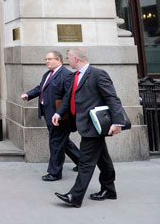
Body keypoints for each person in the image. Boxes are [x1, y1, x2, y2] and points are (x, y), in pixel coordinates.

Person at [52, 47, 125, 208]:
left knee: (85, 162)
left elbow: (112, 98)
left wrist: (118, 123)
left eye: (68, 57)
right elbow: (68, 97)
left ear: (76, 59)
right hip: (83, 123)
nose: (67, 60)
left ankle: (75, 196)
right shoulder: (74, 76)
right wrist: (59, 113)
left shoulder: (98, 74)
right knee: (102, 159)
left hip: (94, 125)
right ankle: (109, 189)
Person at [21, 51, 80, 181]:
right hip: (49, 113)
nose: (47, 61)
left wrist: (59, 114)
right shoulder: (48, 74)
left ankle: (55, 172)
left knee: (56, 143)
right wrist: (28, 94)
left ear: (58, 60)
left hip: (59, 116)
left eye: (49, 59)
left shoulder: (66, 75)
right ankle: (81, 162)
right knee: (62, 141)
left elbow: (68, 96)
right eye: (46, 59)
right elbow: (40, 88)